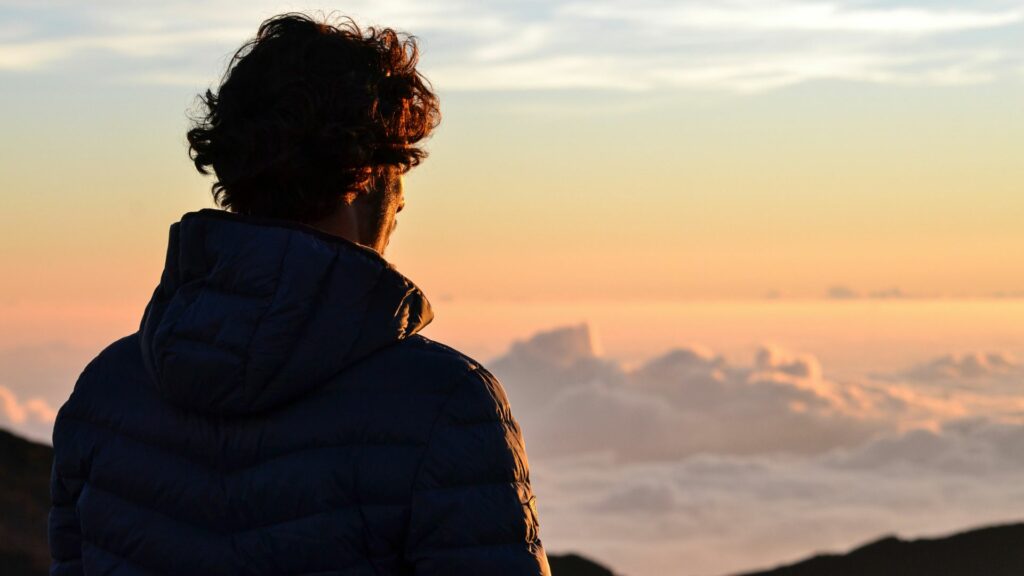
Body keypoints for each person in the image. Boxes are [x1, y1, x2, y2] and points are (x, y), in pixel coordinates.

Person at [48, 12, 550, 576]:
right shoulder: (449, 406)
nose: (403, 203)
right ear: (368, 176)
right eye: (401, 170)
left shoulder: (106, 394)